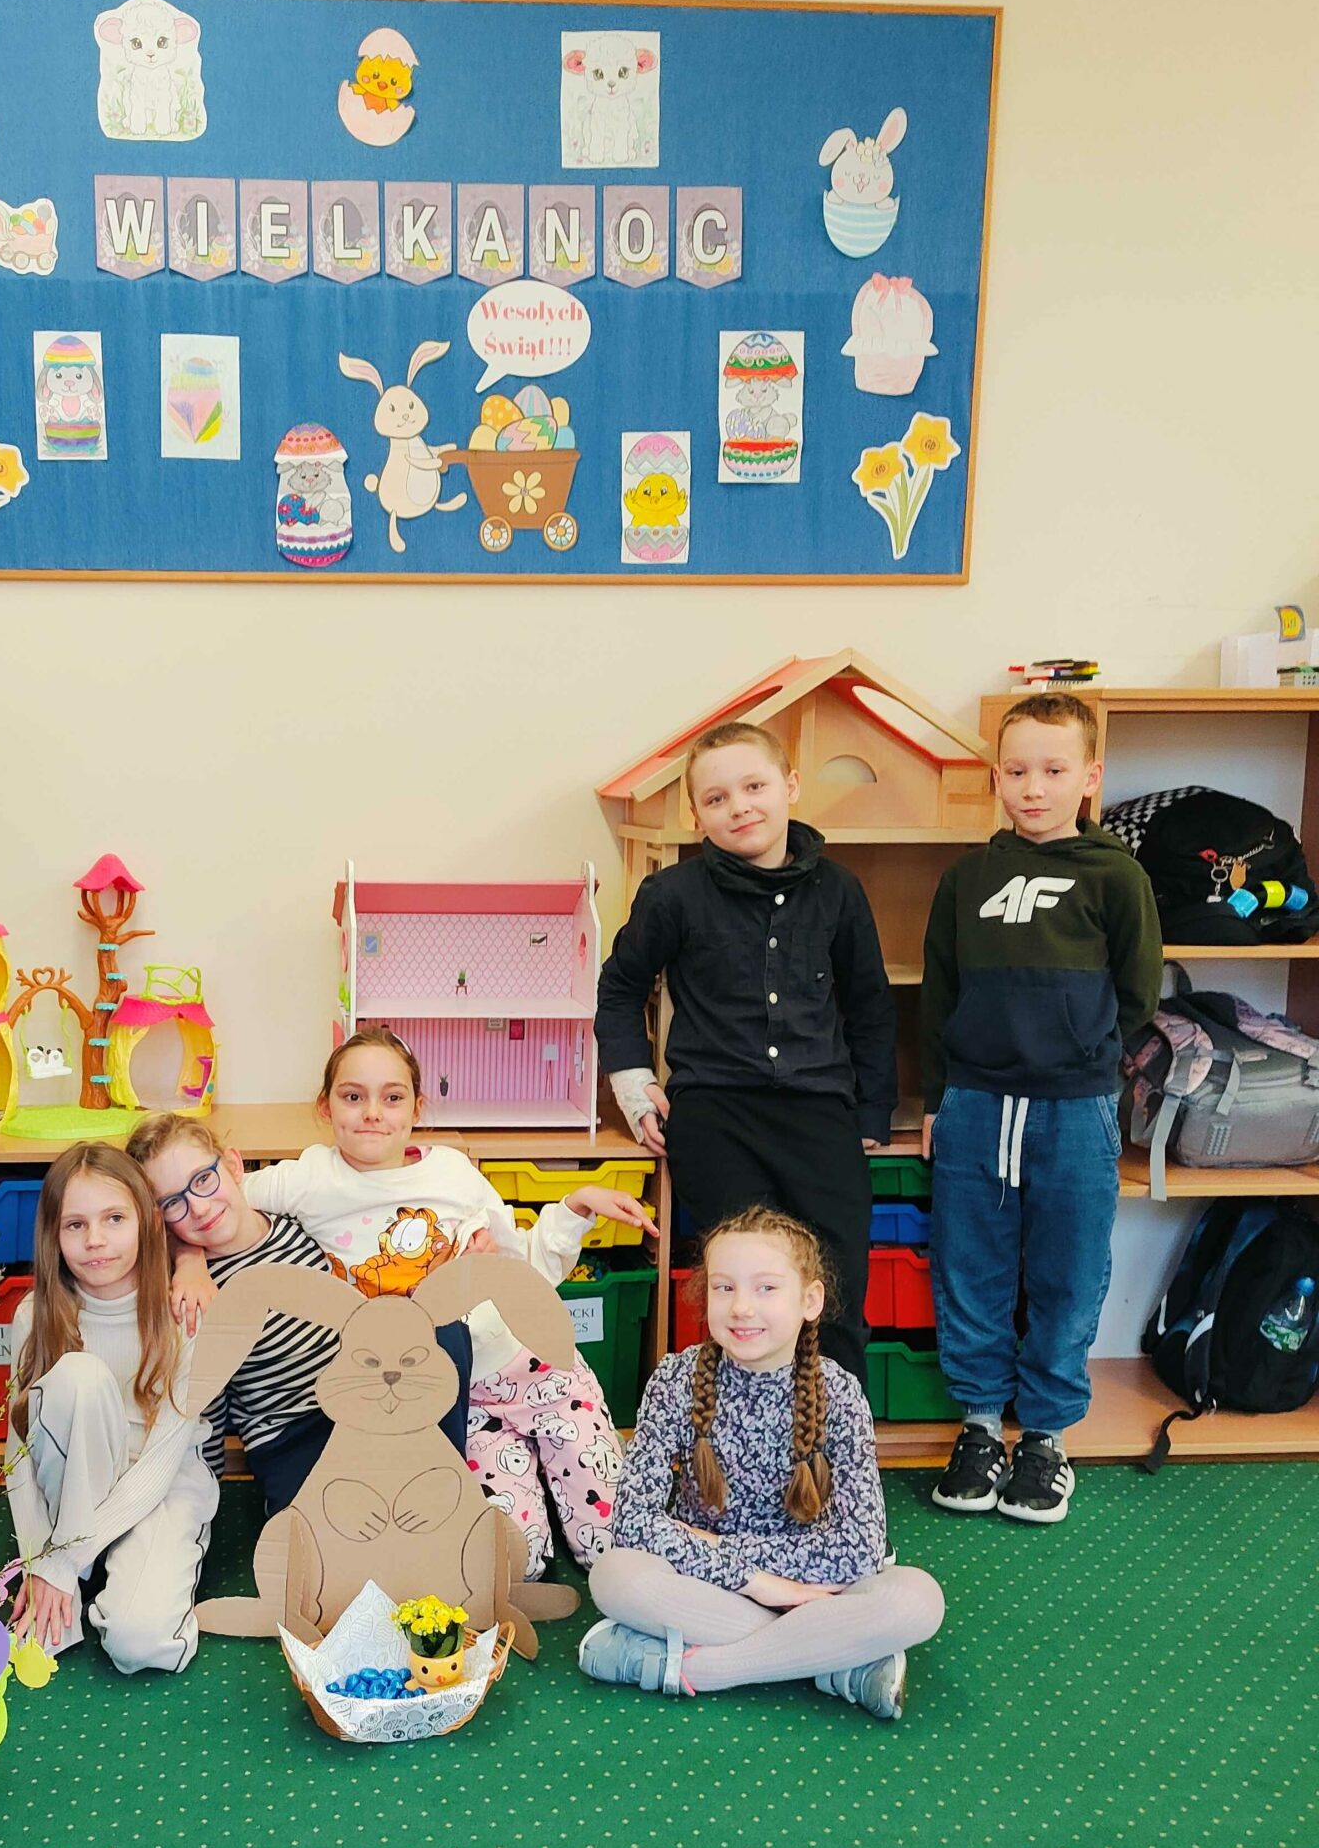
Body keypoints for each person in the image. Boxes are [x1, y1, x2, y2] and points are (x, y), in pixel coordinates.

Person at [174, 1028, 652, 1577]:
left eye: (392, 1097)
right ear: (325, 1107)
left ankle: (583, 1492)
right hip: (455, 1404)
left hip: (535, 1367)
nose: (372, 1112)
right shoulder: (308, 1178)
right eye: (353, 1096)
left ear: (417, 1108)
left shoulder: (451, 1172)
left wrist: (573, 1206)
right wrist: (188, 1259)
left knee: (612, 1550)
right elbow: (215, 1206)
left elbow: (522, 1267)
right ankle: (537, 1495)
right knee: (514, 1568)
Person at [595, 718, 896, 1386]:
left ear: (789, 787)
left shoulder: (839, 892)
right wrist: (633, 1083)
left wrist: (873, 1114)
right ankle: (741, 1447)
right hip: (715, 1114)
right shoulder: (673, 896)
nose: (740, 807)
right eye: (718, 798)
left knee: (833, 1289)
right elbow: (619, 990)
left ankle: (829, 1454)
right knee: (746, 1293)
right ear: (697, 815)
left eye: (755, 786)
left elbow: (871, 1004)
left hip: (821, 1113)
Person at [922, 691, 1161, 1523]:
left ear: (1089, 777)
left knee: (1068, 1274)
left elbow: (1137, 994)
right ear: (996, 776)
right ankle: (982, 1426)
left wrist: (1077, 1057)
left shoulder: (1117, 878)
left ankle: (1046, 1438)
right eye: (1018, 770)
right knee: (970, 1267)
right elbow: (940, 991)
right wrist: (936, 1097)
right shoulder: (967, 878)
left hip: (1075, 1109)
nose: (1034, 787)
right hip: (975, 1104)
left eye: (1055, 770)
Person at [580, 1206, 943, 1718]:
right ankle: (836, 1664)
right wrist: (759, 1584)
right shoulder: (674, 1379)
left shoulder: (839, 1392)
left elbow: (860, 1550)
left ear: (810, 1300)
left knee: (917, 1599)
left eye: (766, 1289)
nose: (742, 1308)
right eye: (724, 1288)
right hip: (719, 1586)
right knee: (614, 1575)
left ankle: (698, 1670)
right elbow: (633, 1525)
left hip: (815, 1584)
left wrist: (726, 1550)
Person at [4, 1145, 217, 1675]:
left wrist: (60, 1561)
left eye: (114, 1219)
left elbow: (162, 1467)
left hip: (158, 1488)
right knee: (79, 1375)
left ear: (147, 1222)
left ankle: (97, 1572)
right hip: (69, 1485)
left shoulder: (183, 1314)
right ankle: (77, 1581)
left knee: (139, 1643)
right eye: (75, 1224)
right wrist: (37, 1560)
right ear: (53, 1234)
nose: (95, 1240)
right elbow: (21, 1454)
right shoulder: (36, 1315)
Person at [128, 1112, 358, 1517]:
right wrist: (207, 1495)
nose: (198, 1208)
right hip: (287, 1434)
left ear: (233, 1165)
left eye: (203, 1180)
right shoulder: (195, 1291)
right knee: (320, 1539)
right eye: (173, 1203)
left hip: (360, 1403)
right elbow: (204, 1400)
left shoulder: (300, 1223)